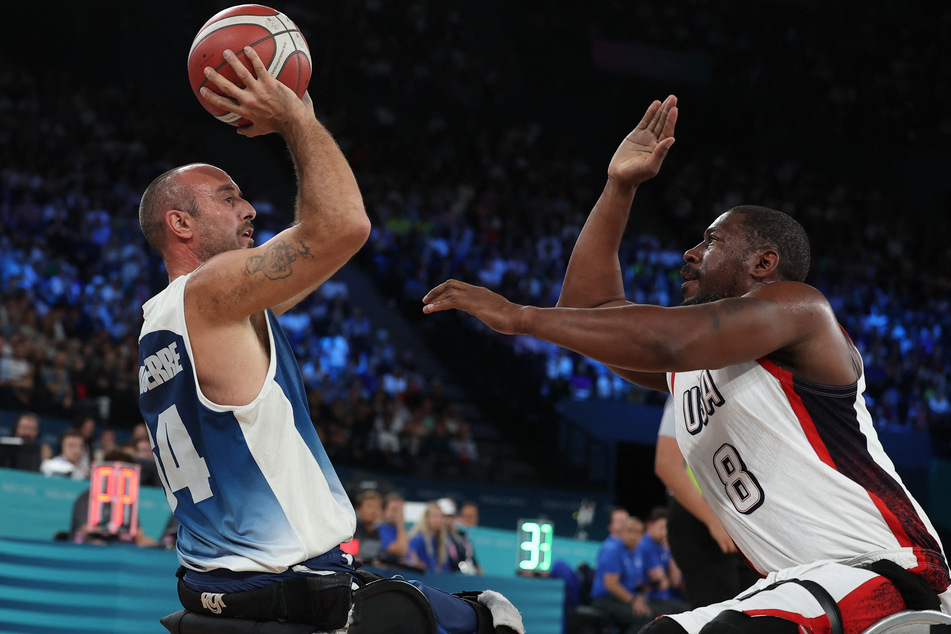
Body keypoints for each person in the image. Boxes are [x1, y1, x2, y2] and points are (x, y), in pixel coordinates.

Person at [422, 95, 951, 632]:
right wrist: (619, 187)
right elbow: (585, 314)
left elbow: (666, 340)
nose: (690, 252)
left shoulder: (801, 309)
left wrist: (520, 318)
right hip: (799, 585)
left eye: (712, 240)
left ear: (764, 263)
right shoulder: (692, 367)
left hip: (890, 572)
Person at [136, 46, 370, 629]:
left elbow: (312, 251)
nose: (250, 209)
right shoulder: (211, 290)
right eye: (227, 197)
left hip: (217, 584)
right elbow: (344, 227)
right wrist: (297, 121)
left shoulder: (164, 319)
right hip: (288, 588)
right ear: (180, 224)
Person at [654, 396, 760, 608]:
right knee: (719, 616)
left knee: (756, 614)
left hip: (746, 518)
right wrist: (712, 521)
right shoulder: (686, 387)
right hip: (703, 520)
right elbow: (666, 464)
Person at [589, 516, 654, 630]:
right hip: (606, 600)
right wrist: (634, 601)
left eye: (637, 532)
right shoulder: (612, 550)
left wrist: (639, 598)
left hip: (624, 599)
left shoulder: (636, 552)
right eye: (630, 531)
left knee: (655, 612)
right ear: (622, 532)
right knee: (643, 617)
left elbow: (637, 582)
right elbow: (611, 585)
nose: (633, 536)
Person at [406, 501, 452, 573]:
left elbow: (445, 569)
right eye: (435, 516)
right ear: (426, 518)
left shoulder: (444, 542)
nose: (439, 520)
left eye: (441, 516)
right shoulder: (418, 539)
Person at [377, 491, 410, 565]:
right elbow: (400, 551)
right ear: (384, 511)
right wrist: (400, 525)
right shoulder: (380, 529)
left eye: (401, 510)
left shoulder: (401, 530)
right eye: (394, 510)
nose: (399, 514)